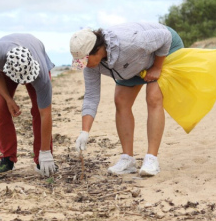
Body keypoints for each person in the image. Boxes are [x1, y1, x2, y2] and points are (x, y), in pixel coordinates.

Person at [69, 22, 184, 177]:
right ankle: (127, 160)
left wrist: (157, 67)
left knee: (153, 96)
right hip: (130, 65)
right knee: (121, 100)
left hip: (163, 51)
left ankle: (151, 159)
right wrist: (85, 131)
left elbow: (165, 37)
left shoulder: (131, 42)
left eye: (85, 61)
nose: (84, 65)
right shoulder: (91, 65)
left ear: (96, 51)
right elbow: (91, 95)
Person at [0, 34, 56, 176]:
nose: (23, 83)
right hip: (5, 68)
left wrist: (45, 153)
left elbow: (45, 113)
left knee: (37, 111)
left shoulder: (41, 75)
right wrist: (9, 99)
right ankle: (7, 159)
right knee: (1, 108)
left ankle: (42, 158)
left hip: (35, 55)